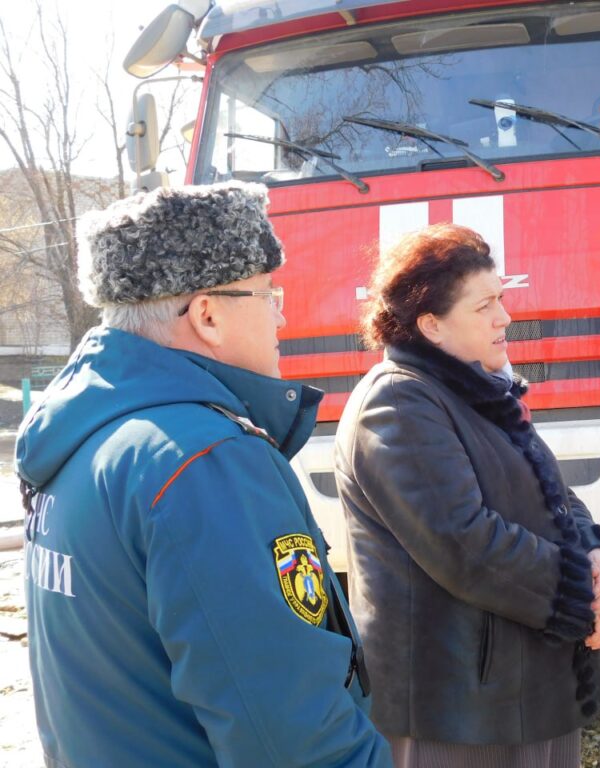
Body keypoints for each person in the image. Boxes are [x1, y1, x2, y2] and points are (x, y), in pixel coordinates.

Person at [15, 183, 392, 768]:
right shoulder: (203, 461)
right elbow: (295, 739)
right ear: (208, 314)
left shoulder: (84, 436)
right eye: (268, 294)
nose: (282, 314)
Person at [334, 223, 600, 768]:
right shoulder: (398, 402)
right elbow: (465, 545)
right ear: (431, 325)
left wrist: (596, 557)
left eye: (502, 300)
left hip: (527, 687)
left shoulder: (477, 391)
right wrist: (581, 596)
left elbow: (553, 497)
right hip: (455, 710)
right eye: (485, 305)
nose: (505, 318)